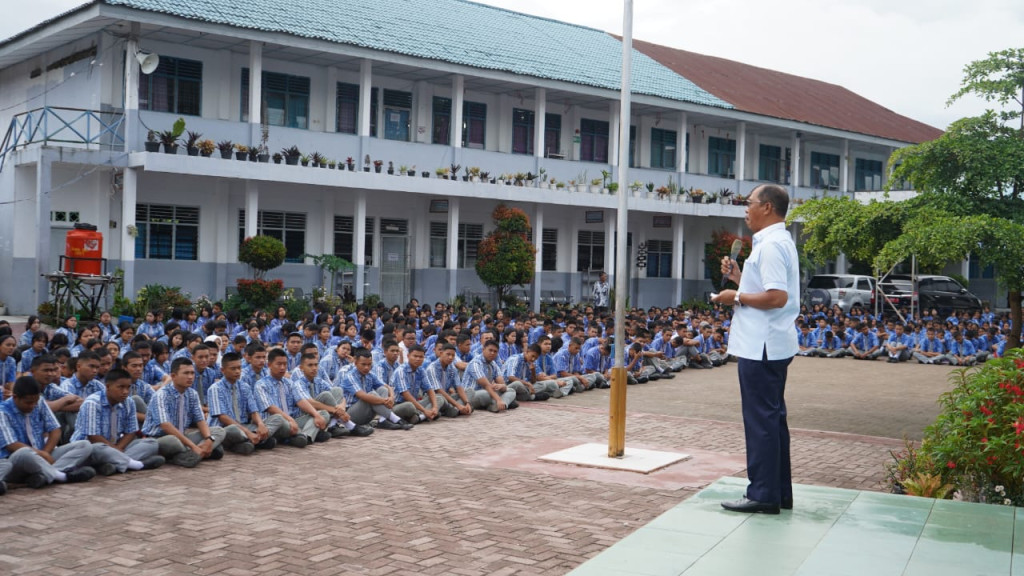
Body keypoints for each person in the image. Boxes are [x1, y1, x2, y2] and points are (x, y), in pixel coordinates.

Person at [712, 184, 799, 515]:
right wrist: (739, 279)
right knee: (772, 420)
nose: (745, 209)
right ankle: (778, 492)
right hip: (769, 343)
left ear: (766, 207)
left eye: (748, 204)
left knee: (761, 421)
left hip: (761, 345)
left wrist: (732, 296)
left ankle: (763, 494)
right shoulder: (775, 242)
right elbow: (765, 289)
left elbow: (777, 297)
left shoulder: (772, 246)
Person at [0, 376, 97, 490]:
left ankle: (45, 475)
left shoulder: (39, 402)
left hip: (42, 454)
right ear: (15, 397)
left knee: (84, 445)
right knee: (24, 452)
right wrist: (43, 455)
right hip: (17, 461)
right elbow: (12, 445)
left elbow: (55, 430)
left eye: (35, 402)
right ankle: (62, 476)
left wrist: (46, 452)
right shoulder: (2, 412)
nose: (33, 406)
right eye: (28, 403)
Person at [70, 368, 165, 475]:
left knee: (151, 443)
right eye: (120, 387)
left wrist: (118, 448)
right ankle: (138, 465)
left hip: (116, 446)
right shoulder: (92, 403)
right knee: (98, 448)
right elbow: (93, 436)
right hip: (91, 448)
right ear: (108, 387)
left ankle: (113, 465)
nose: (125, 392)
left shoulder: (128, 402)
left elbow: (131, 431)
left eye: (128, 387)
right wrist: (115, 450)